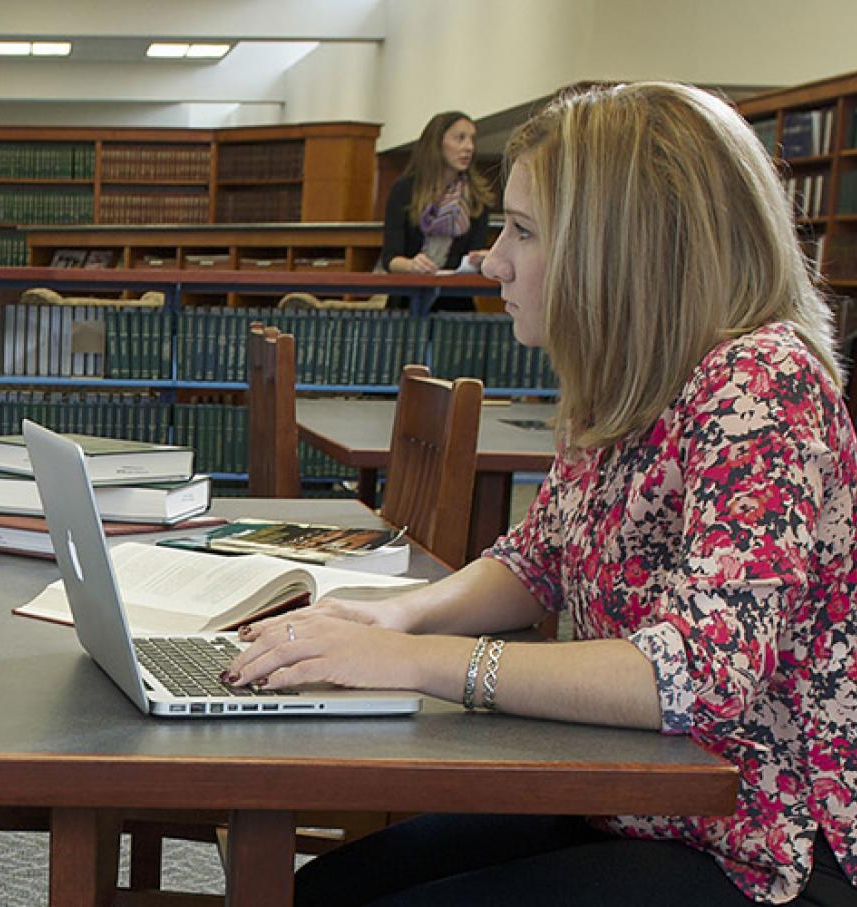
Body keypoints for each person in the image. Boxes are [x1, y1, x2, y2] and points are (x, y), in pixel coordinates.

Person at [233, 82, 857, 906]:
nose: (493, 259)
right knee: (326, 890)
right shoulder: (621, 382)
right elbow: (537, 559)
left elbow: (700, 670)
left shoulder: (763, 382)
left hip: (761, 846)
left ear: (625, 247)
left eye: (523, 231)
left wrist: (416, 660)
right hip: (634, 800)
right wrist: (397, 616)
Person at [380, 111, 495, 314]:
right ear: (437, 143)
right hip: (407, 303)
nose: (469, 147)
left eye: (472, 140)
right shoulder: (405, 190)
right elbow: (390, 258)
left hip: (456, 306)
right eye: (460, 138)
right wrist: (411, 265)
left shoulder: (477, 197)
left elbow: (474, 253)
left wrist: (481, 259)